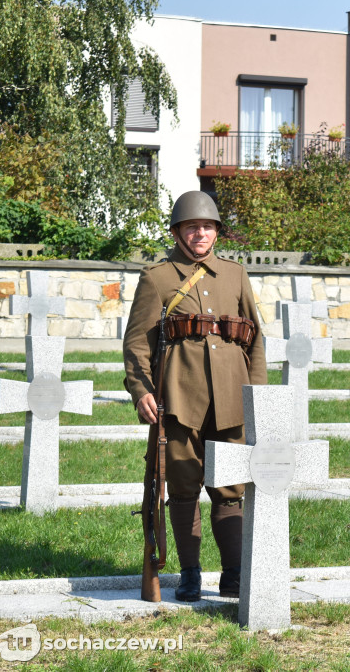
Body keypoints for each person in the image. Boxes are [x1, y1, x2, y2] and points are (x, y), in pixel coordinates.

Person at [124, 190, 266, 601]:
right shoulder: (157, 277)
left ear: (217, 232)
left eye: (207, 226)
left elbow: (254, 339)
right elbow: (137, 344)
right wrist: (141, 391)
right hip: (179, 402)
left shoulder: (235, 275)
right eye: (192, 226)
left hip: (231, 400)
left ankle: (235, 574)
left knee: (230, 488)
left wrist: (257, 400)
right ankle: (189, 574)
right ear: (177, 231)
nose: (200, 233)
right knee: (183, 487)